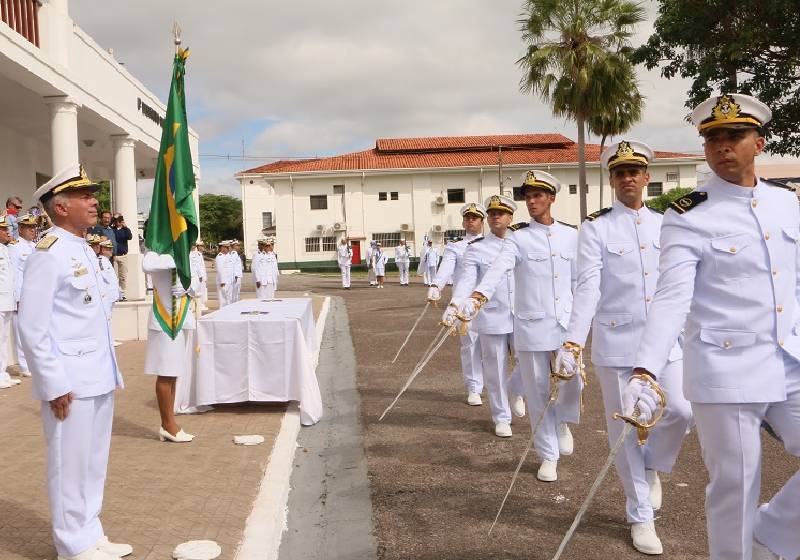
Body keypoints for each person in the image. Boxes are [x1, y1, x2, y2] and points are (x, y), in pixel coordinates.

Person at [629, 93, 800, 560]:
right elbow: (671, 298)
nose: (723, 145)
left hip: (787, 359)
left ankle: (772, 533)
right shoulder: (688, 213)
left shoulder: (787, 204)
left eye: (735, 136)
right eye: (713, 138)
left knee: (753, 510)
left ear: (759, 143)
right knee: (736, 484)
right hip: (724, 368)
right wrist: (645, 369)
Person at [557, 144, 692, 554]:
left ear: (647, 177)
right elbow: (588, 289)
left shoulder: (667, 223)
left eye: (635, 170)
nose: (628, 178)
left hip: (665, 343)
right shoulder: (596, 228)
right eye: (620, 173)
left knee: (682, 410)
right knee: (624, 432)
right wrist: (573, 340)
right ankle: (640, 517)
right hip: (618, 345)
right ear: (612, 180)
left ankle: (653, 465)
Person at [19, 165, 130, 560]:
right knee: (69, 465)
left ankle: (91, 532)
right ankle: (71, 544)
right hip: (70, 381)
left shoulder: (83, 249)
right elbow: (33, 327)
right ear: (61, 207)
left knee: (92, 463)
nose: (94, 201)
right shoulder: (48, 253)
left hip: (98, 374)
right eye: (84, 196)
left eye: (93, 194)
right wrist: (53, 383)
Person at [458, 173, 581, 480]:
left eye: (538, 195)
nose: (532, 200)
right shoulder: (518, 237)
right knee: (537, 392)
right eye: (528, 195)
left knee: (574, 382)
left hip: (565, 324)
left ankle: (563, 418)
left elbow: (579, 280)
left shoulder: (571, 235)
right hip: (530, 326)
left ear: (551, 198)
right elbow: (498, 269)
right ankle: (547, 455)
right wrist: (477, 297)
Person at [447, 195, 526, 437]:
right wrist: (455, 304)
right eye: (491, 213)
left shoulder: (524, 242)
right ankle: (501, 416)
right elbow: (466, 281)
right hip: (492, 315)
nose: (495, 217)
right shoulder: (477, 248)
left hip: (524, 314)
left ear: (511, 217)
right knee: (495, 368)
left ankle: (516, 388)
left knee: (530, 363)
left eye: (500, 213)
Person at [427, 202, 487, 406]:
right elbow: (446, 268)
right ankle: (474, 387)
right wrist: (436, 285)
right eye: (468, 218)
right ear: (463, 221)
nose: (471, 221)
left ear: (482, 221)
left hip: (490, 304)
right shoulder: (456, 246)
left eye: (475, 218)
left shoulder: (493, 244)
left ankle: (496, 385)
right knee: (469, 345)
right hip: (464, 304)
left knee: (494, 348)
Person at [143, 251, 198, 443]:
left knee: (173, 373)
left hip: (180, 319)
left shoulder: (183, 253)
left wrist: (187, 288)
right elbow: (147, 266)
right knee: (165, 373)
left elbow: (196, 282)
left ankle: (169, 423)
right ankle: (167, 424)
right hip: (164, 321)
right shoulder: (154, 254)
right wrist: (176, 260)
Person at [9, 213, 37, 378]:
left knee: (33, 331)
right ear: (20, 229)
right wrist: (18, 297)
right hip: (22, 296)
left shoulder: (34, 246)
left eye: (34, 227)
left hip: (34, 295)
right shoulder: (15, 246)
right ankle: (25, 366)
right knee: (21, 333)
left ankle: (33, 363)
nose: (33, 230)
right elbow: (14, 275)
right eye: (29, 227)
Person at [0, 216, 20, 389]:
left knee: (3, 338)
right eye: (4, 229)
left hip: (7, 300)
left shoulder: (6, 250)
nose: (8, 232)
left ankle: (2, 373)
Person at [97, 239, 120, 317]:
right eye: (108, 249)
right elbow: (102, 277)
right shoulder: (101, 261)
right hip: (106, 297)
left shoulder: (106, 261)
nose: (111, 251)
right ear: (102, 250)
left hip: (111, 297)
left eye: (111, 249)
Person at [111, 214, 132, 298]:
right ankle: (114, 294)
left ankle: (122, 294)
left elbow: (130, 237)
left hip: (123, 255)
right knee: (113, 276)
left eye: (119, 221)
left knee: (123, 277)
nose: (117, 222)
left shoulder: (125, 230)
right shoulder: (112, 229)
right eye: (116, 221)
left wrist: (125, 227)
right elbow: (107, 228)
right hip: (114, 256)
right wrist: (113, 219)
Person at [190, 241, 208, 311]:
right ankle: (194, 306)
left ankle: (200, 305)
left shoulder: (198, 254)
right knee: (194, 291)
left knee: (200, 291)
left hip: (198, 276)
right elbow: (196, 266)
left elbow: (201, 266)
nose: (194, 246)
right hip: (194, 276)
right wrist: (200, 275)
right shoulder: (193, 254)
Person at [215, 241, 234, 308]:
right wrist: (222, 281)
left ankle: (228, 312)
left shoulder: (229, 256)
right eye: (227, 247)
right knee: (223, 299)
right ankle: (222, 312)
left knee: (229, 298)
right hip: (223, 282)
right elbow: (220, 270)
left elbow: (231, 269)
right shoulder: (219, 257)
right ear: (222, 248)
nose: (228, 249)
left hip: (229, 281)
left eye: (228, 247)